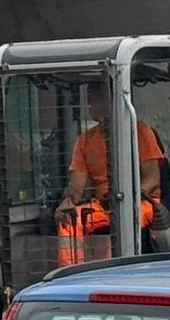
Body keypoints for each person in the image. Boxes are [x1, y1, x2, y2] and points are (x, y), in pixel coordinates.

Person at [56, 82, 164, 266]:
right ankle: (69, 272)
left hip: (142, 202)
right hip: (103, 205)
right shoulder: (84, 140)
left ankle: (110, 272)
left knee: (121, 221)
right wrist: (67, 202)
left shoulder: (140, 132)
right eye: (90, 101)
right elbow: (76, 187)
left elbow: (152, 178)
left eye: (98, 100)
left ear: (113, 102)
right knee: (69, 221)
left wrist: (127, 198)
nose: (93, 106)